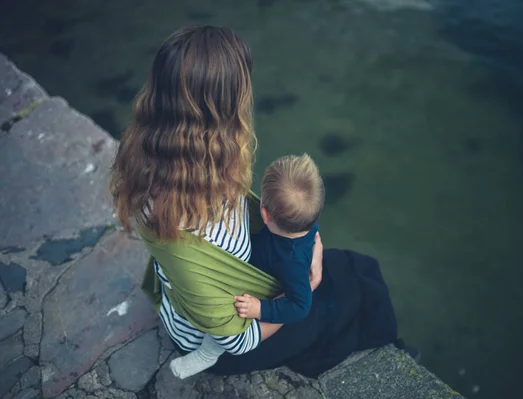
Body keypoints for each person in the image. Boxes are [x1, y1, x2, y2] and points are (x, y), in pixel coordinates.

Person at [110, 24, 404, 382]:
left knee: (354, 267)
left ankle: (384, 337)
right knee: (347, 296)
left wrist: (314, 244)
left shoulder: (153, 156)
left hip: (225, 284)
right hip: (221, 336)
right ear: (219, 111)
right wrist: (304, 290)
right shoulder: (186, 236)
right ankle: (393, 348)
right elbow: (237, 339)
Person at [235, 154, 325, 325]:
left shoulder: (292, 262)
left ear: (264, 214)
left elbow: (300, 306)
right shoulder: (306, 223)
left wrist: (260, 309)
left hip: (258, 280)